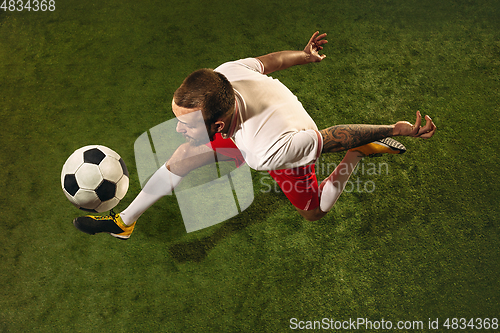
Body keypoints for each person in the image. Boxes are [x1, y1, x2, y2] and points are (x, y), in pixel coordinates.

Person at [73, 31, 436, 240]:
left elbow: (336, 135)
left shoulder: (270, 152)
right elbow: (269, 62)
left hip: (287, 144)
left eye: (187, 123)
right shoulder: (225, 76)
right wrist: (305, 56)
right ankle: (125, 222)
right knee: (183, 157)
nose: (179, 128)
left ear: (216, 126)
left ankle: (360, 156)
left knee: (313, 212)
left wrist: (393, 128)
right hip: (244, 131)